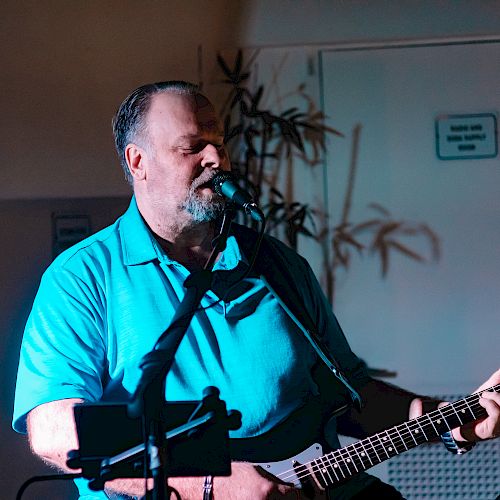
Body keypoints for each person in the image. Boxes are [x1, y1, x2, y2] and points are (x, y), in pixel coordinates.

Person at [13, 81, 500, 500]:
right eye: (192, 147)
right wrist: (210, 486)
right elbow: (55, 430)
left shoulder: (279, 264)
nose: (215, 158)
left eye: (218, 145)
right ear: (137, 161)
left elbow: (352, 395)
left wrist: (449, 421)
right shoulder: (81, 277)